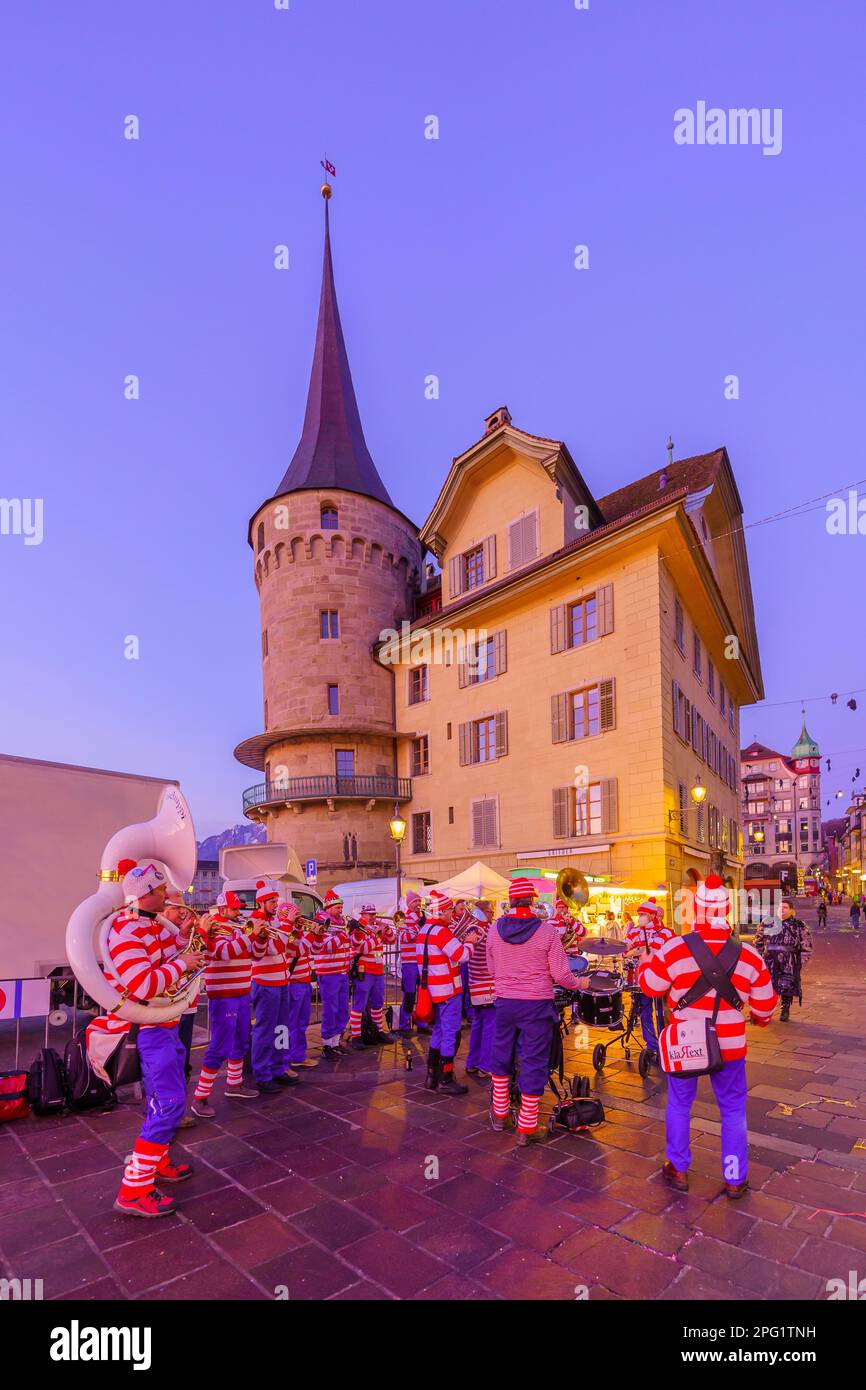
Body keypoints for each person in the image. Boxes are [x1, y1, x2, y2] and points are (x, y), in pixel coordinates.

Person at [639, 874, 776, 1199]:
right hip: (729, 1045)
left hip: (685, 1042)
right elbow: (766, 1009)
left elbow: (650, 988)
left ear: (696, 911)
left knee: (679, 1103)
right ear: (727, 911)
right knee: (731, 1110)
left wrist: (645, 965)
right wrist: (755, 1017)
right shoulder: (750, 955)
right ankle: (733, 1176)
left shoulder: (674, 948)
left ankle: (679, 1167)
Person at [99, 859, 205, 1217]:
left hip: (165, 1025)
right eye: (162, 891)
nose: (168, 896)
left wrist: (188, 940)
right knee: (170, 1103)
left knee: (166, 1100)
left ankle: (157, 1163)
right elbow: (142, 984)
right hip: (148, 1030)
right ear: (146, 893)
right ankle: (134, 1188)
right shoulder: (128, 930)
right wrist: (184, 964)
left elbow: (169, 957)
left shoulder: (150, 925)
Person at [485, 877, 580, 1146]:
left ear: (511, 899)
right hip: (536, 1004)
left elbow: (492, 970)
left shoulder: (494, 930)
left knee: (501, 1055)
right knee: (534, 1061)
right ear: (532, 900)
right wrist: (580, 982)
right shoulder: (547, 932)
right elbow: (562, 975)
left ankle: (500, 1114)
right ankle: (526, 1128)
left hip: (504, 1002)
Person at [191, 890, 265, 1116]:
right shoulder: (216, 928)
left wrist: (261, 938)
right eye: (234, 908)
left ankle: (234, 1084)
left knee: (241, 1041)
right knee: (220, 1045)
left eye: (239, 908)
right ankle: (200, 1097)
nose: (239, 911)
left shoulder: (239, 928)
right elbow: (223, 952)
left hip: (242, 992)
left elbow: (257, 955)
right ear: (222, 909)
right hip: (224, 994)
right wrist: (251, 935)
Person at [415, 890, 478, 1095]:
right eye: (450, 910)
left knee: (440, 1031)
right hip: (448, 989)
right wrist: (470, 941)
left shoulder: (424, 930)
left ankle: (431, 1076)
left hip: (433, 989)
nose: (453, 914)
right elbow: (461, 955)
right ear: (442, 912)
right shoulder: (441, 932)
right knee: (451, 1033)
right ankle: (446, 1078)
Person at [248, 882, 298, 1093]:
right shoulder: (256, 922)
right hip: (265, 983)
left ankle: (280, 1067)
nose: (276, 905)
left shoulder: (275, 920)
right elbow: (272, 948)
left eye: (276, 901)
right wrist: (287, 925)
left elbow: (289, 948)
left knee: (282, 1029)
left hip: (281, 980)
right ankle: (262, 1073)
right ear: (261, 902)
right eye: (272, 901)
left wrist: (295, 929)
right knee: (265, 1030)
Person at [305, 891, 353, 1058]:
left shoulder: (340, 924)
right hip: (328, 972)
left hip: (342, 972)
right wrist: (344, 934)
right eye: (338, 907)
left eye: (341, 907)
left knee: (342, 1009)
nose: (341, 910)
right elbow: (328, 947)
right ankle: (327, 1044)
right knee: (330, 1010)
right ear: (329, 908)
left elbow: (347, 945)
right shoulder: (322, 923)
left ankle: (336, 1041)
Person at [625, 900, 674, 1060]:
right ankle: (651, 1046)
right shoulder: (634, 932)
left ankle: (665, 1045)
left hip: (661, 979)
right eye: (638, 915)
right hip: (641, 978)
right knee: (645, 1013)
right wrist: (626, 949)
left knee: (662, 1013)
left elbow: (672, 954)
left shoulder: (666, 933)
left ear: (653, 915)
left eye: (643, 915)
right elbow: (625, 949)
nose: (640, 918)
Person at [755, 899, 813, 1023]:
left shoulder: (798, 925)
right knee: (767, 987)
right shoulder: (767, 922)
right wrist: (759, 957)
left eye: (785, 907)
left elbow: (806, 946)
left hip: (789, 961)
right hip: (770, 960)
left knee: (786, 986)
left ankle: (785, 1009)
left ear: (791, 910)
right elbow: (759, 941)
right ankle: (764, 1012)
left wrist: (800, 962)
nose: (782, 909)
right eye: (780, 907)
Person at [347, 905, 397, 1048]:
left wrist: (386, 929)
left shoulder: (376, 928)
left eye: (374, 913)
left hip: (378, 971)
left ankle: (378, 1031)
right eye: (369, 914)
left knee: (377, 1003)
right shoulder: (358, 929)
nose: (373, 917)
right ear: (362, 914)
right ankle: (356, 1036)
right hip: (364, 971)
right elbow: (362, 948)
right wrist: (378, 934)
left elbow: (392, 940)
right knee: (359, 1004)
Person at [278, 902, 318, 1068]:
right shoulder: (286, 932)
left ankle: (298, 1055)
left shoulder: (298, 931)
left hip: (303, 981)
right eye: (295, 914)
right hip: (293, 982)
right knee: (290, 1023)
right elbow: (297, 950)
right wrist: (312, 934)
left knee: (301, 1022)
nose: (300, 917)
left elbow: (308, 950)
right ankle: (286, 1058)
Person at [465, 902, 496, 1078]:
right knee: (490, 1027)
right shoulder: (477, 929)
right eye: (490, 911)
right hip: (485, 984)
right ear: (481, 912)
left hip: (478, 984)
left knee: (478, 1024)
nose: (492, 914)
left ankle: (472, 1062)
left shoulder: (483, 927)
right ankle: (485, 1065)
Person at [395, 892, 423, 1034]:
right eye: (415, 901)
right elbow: (404, 937)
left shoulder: (422, 917)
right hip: (410, 962)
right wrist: (418, 927)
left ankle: (422, 1023)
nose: (418, 904)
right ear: (409, 903)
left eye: (419, 901)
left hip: (422, 962)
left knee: (423, 995)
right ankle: (404, 1025)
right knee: (410, 995)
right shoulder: (401, 917)